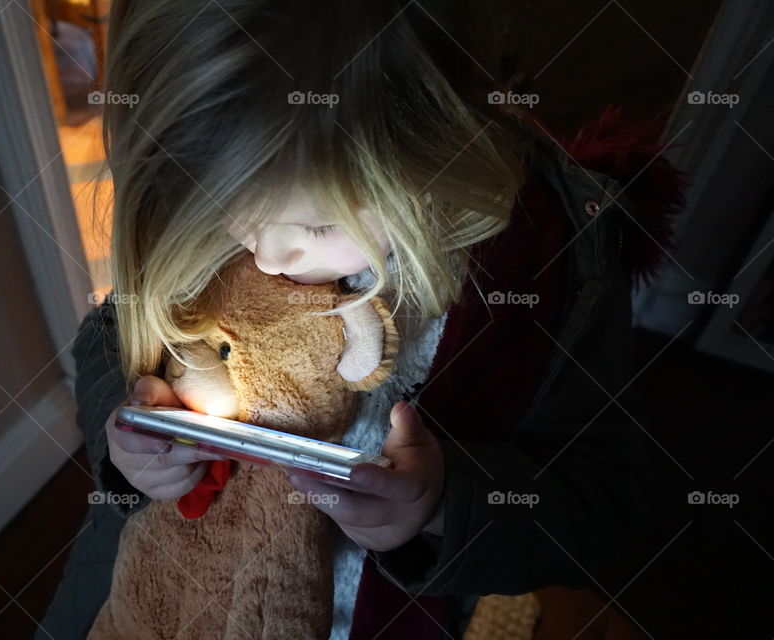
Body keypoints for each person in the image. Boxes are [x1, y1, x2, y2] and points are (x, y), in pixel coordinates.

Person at [38, 1, 686, 638]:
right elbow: (110, 339)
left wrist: (443, 506)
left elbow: (606, 497)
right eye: (220, 211)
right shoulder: (209, 169)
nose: (266, 251)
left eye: (318, 224)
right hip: (152, 591)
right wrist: (127, 445)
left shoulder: (554, 261)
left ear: (432, 150)